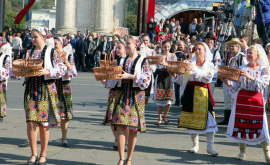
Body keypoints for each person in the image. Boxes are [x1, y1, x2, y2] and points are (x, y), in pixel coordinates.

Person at [103, 36, 151, 165]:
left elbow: (146, 80)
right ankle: (121, 158)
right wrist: (107, 80)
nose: (127, 45)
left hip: (135, 97)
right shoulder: (121, 60)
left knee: (132, 128)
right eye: (126, 44)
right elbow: (114, 78)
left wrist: (130, 76)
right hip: (121, 95)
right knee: (119, 126)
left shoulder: (142, 60)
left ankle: (129, 159)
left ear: (135, 45)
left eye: (129, 44)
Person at [22, 27, 65, 165]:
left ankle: (43, 154)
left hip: (45, 89)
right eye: (32, 37)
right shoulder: (29, 52)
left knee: (43, 124)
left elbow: (61, 69)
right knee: (31, 122)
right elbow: (21, 67)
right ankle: (33, 153)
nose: (33, 39)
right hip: (31, 89)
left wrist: (48, 71)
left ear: (43, 37)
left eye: (36, 36)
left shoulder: (51, 51)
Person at [220, 44, 270, 163]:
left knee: (261, 127)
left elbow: (263, 84)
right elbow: (235, 86)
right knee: (241, 126)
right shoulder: (242, 67)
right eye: (247, 53)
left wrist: (250, 77)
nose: (248, 55)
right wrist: (226, 82)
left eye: (250, 53)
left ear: (257, 55)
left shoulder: (263, 69)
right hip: (242, 100)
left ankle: (267, 153)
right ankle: (242, 151)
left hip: (256, 100)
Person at [175, 42, 218, 156]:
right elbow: (181, 80)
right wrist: (175, 75)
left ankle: (210, 147)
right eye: (196, 49)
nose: (197, 51)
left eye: (200, 49)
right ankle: (195, 145)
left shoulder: (210, 65)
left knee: (209, 119)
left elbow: (206, 79)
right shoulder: (189, 63)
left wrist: (193, 70)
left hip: (204, 94)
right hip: (190, 92)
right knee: (191, 119)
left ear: (205, 51)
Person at [102, 42, 129, 153]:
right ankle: (118, 138)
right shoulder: (114, 62)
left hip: (125, 92)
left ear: (125, 49)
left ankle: (125, 142)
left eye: (119, 48)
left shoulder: (129, 61)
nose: (117, 49)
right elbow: (109, 79)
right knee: (111, 118)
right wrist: (105, 80)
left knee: (123, 120)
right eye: (116, 48)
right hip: (114, 92)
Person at [219, 38, 248, 125]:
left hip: (237, 82)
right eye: (230, 46)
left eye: (233, 46)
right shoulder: (227, 54)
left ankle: (235, 119)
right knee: (227, 99)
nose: (231, 48)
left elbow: (245, 68)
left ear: (238, 47)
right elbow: (223, 63)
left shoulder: (242, 57)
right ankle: (227, 119)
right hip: (227, 79)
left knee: (235, 100)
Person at [54, 37, 77, 148]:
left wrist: (67, 63)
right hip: (52, 83)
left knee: (64, 112)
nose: (54, 45)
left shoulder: (68, 54)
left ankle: (64, 137)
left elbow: (73, 71)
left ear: (62, 45)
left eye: (56, 43)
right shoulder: (51, 54)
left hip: (64, 84)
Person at [154, 40, 177, 125]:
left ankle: (165, 116)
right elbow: (157, 66)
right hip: (160, 76)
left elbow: (174, 66)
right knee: (159, 99)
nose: (166, 48)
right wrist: (161, 63)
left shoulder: (173, 56)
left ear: (170, 47)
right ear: (162, 47)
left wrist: (166, 64)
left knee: (169, 99)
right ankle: (159, 118)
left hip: (169, 76)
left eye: (168, 47)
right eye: (165, 47)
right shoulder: (159, 56)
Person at [140, 35, 156, 104]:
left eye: (146, 40)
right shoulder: (138, 51)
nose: (145, 42)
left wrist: (152, 67)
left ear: (149, 41)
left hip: (148, 74)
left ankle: (143, 107)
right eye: (143, 40)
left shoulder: (152, 51)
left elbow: (155, 63)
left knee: (146, 95)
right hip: (140, 73)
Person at [0, 38, 12, 122]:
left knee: (1, 97)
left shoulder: (5, 57)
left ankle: (1, 114)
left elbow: (7, 70)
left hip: (0, 81)